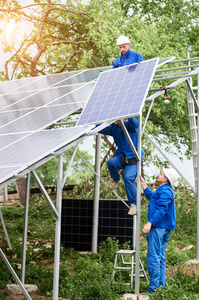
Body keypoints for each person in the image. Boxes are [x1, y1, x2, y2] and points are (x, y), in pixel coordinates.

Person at [140, 168, 179, 294]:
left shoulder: (166, 191)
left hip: (159, 227)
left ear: (165, 179)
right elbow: (154, 199)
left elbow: (161, 209)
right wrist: (145, 186)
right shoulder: (163, 190)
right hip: (163, 227)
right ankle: (160, 287)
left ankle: (154, 288)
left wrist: (149, 223)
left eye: (161, 174)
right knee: (160, 257)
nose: (159, 174)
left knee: (153, 257)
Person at [99, 118, 144, 216]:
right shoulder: (113, 128)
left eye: (119, 118)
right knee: (111, 162)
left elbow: (135, 124)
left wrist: (130, 115)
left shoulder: (129, 126)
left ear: (124, 118)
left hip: (133, 157)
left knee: (128, 178)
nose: (116, 120)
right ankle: (116, 179)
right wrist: (88, 121)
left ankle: (133, 205)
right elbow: (100, 128)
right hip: (122, 157)